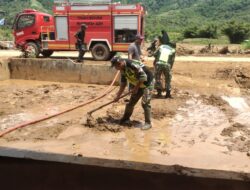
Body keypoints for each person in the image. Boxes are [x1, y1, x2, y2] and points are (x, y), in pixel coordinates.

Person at [111, 56, 154, 130]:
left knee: (145, 103)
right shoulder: (122, 69)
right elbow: (123, 83)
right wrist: (118, 96)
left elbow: (143, 77)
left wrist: (136, 88)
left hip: (147, 83)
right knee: (131, 103)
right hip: (137, 84)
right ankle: (125, 118)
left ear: (120, 63)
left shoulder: (132, 65)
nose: (115, 68)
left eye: (115, 66)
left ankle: (148, 123)